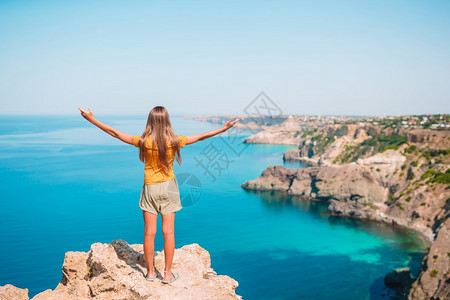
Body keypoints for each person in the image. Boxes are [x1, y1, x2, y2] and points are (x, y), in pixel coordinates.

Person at [78, 106, 239, 283]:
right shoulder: (175, 141)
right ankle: (168, 274)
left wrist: (91, 120)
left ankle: (150, 273)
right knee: (168, 232)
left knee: (149, 233)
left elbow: (115, 133)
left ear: (151, 121)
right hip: (169, 188)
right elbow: (201, 137)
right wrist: (224, 129)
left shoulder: (144, 141)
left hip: (150, 188)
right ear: (167, 121)